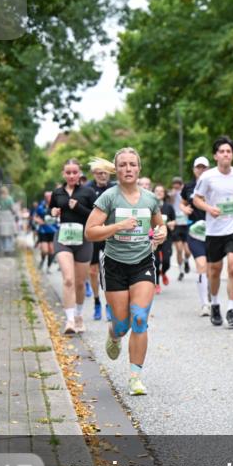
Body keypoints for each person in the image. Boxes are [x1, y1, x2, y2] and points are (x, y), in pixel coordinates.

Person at [84, 147, 167, 396]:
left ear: (139, 168)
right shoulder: (109, 198)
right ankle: (114, 334)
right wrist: (119, 225)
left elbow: (159, 226)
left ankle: (135, 377)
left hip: (142, 263)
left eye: (132, 164)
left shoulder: (150, 199)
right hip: (115, 265)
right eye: (123, 165)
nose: (128, 169)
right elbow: (90, 231)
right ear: (116, 169)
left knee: (140, 318)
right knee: (122, 325)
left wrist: (162, 234)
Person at [192, 136, 233, 327]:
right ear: (215, 155)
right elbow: (197, 199)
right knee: (215, 270)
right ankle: (216, 304)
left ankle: (232, 310)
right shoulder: (207, 177)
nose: (226, 154)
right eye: (222, 151)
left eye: (229, 151)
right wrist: (209, 209)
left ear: (232, 155)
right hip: (214, 230)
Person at [50, 159, 99, 334]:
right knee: (68, 279)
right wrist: (53, 212)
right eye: (68, 172)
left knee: (79, 283)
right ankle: (69, 320)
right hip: (63, 238)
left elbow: (96, 216)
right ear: (64, 174)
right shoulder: (58, 193)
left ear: (79, 174)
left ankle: (78, 316)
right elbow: (52, 210)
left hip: (83, 240)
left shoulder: (88, 192)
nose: (71, 175)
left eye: (74, 172)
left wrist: (78, 207)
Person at [180, 157, 212, 315]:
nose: (201, 170)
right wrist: (184, 209)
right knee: (201, 265)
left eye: (204, 167)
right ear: (194, 169)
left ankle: (211, 294)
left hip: (214, 231)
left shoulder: (214, 183)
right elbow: (182, 203)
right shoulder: (189, 186)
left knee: (212, 269)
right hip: (195, 230)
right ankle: (205, 304)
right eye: (198, 167)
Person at [86, 160, 117, 320]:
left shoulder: (114, 188)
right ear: (94, 174)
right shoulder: (87, 189)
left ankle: (109, 304)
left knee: (108, 271)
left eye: (105, 173)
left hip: (109, 233)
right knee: (92, 271)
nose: (102, 176)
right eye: (99, 173)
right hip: (93, 235)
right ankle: (97, 301)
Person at [152, 183, 177, 294]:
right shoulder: (150, 206)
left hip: (167, 237)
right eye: (157, 191)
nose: (159, 193)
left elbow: (174, 221)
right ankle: (157, 283)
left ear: (164, 194)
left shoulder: (169, 207)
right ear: (153, 193)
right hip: (154, 237)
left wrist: (172, 224)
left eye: (161, 191)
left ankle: (164, 272)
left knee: (166, 260)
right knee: (156, 261)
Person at [169, 177, 192, 280]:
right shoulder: (172, 194)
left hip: (186, 224)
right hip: (176, 224)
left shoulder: (186, 193)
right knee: (179, 249)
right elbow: (170, 202)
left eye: (179, 184)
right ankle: (181, 271)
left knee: (187, 251)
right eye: (175, 184)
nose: (177, 186)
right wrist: (174, 193)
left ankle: (186, 261)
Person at [34, 191, 57, 272]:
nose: (48, 198)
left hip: (53, 231)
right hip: (43, 231)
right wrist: (38, 220)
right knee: (45, 250)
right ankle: (43, 260)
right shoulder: (41, 207)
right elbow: (35, 217)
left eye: (50, 196)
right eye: (47, 197)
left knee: (52, 250)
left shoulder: (56, 206)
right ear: (45, 197)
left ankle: (48, 267)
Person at [0, 187, 17, 255]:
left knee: (2, 234)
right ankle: (8, 248)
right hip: (8, 216)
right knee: (9, 233)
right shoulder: (9, 198)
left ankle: (3, 248)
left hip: (1, 216)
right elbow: (12, 208)